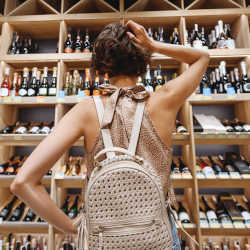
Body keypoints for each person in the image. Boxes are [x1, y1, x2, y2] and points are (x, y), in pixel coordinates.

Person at [11, 20, 209, 247]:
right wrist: (153, 44)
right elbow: (202, 57)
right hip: (156, 236)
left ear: (101, 65)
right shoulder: (165, 99)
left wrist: (69, 226)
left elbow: (22, 182)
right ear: (143, 60)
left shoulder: (86, 110)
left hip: (104, 240)